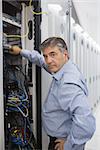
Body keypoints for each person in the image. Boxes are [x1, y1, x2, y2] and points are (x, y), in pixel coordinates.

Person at [9, 37, 95, 150]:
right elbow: (42, 62)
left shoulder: (68, 84)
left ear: (65, 54)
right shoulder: (64, 67)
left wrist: (69, 145)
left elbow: (87, 124)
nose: (48, 60)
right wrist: (21, 52)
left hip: (62, 143)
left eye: (53, 54)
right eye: (46, 56)